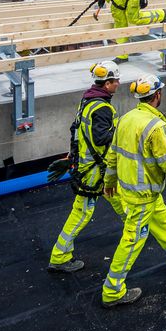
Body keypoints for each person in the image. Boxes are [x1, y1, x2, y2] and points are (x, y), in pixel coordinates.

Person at [100, 74, 166, 308]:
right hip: (142, 194)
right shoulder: (155, 127)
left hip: (135, 190)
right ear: (157, 95)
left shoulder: (126, 119)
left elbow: (113, 155)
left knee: (163, 222)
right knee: (132, 240)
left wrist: (109, 181)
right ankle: (112, 291)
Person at [47, 60, 125, 273]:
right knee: (82, 212)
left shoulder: (87, 100)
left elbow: (75, 130)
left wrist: (70, 156)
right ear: (107, 83)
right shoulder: (102, 108)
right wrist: (123, 133)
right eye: (116, 81)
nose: (118, 84)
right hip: (94, 170)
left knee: (118, 197)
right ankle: (59, 256)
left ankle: (134, 232)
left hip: (89, 166)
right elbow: (101, 138)